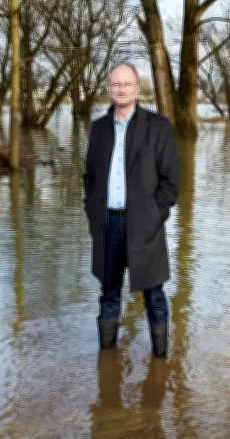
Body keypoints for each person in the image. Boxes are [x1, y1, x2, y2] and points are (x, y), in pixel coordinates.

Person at [83, 62, 179, 358]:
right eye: (115, 84)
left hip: (144, 224)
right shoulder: (99, 128)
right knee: (109, 293)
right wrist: (93, 212)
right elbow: (90, 177)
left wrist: (156, 214)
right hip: (108, 224)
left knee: (154, 294)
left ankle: (160, 361)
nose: (121, 89)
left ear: (137, 88)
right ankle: (107, 359)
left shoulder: (158, 126)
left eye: (127, 84)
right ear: (108, 88)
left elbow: (171, 180)